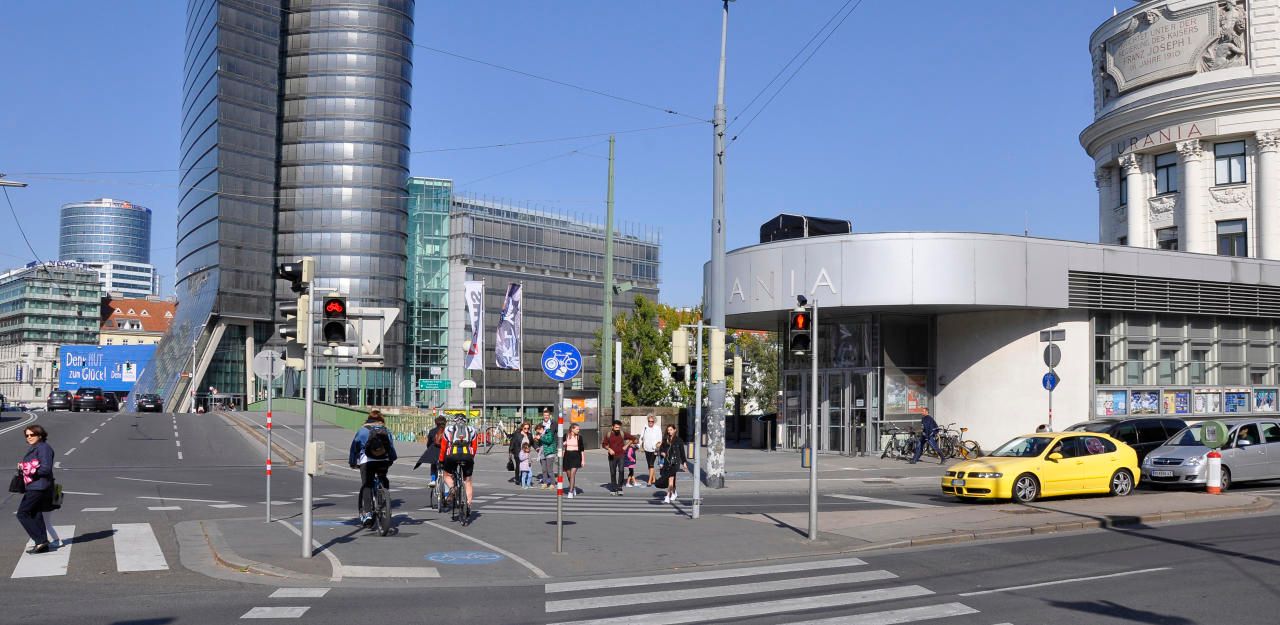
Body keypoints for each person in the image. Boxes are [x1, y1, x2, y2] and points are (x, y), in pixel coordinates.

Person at [349, 410, 397, 527]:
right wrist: (391, 459)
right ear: (381, 419)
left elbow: (354, 447)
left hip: (367, 461)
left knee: (367, 485)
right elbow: (390, 447)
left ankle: (368, 514)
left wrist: (353, 462)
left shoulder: (362, 430)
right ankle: (385, 500)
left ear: (368, 419)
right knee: (383, 478)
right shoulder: (385, 430)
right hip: (383, 460)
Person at [16, 424, 56, 553]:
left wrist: (27, 469)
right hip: (36, 486)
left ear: (40, 435)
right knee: (35, 513)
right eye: (27, 435)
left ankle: (40, 541)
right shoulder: (37, 447)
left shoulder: (43, 448)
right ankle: (43, 544)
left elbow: (45, 469)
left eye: (32, 434)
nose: (29, 437)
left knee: (22, 513)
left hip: (39, 486)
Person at [439, 415, 479, 515]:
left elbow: (443, 448)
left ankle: (453, 489)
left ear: (454, 421)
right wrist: (471, 458)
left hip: (452, 456)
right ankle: (468, 505)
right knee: (468, 481)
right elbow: (474, 447)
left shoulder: (448, 429)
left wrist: (441, 460)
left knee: (446, 475)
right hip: (467, 456)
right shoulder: (471, 430)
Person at [413, 416, 448, 487]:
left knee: (433, 464)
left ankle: (433, 480)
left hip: (434, 452)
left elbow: (428, 444)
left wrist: (429, 449)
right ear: (445, 423)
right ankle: (447, 489)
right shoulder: (448, 431)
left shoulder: (432, 431)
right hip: (445, 453)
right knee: (447, 468)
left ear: (436, 423)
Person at [658, 424, 685, 504]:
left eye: (671, 430)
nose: (669, 431)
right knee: (671, 479)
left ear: (675, 430)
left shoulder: (679, 440)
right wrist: (662, 453)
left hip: (675, 463)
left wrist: (684, 462)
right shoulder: (666, 439)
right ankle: (674, 492)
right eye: (668, 430)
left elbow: (682, 452)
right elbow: (661, 449)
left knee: (670, 479)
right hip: (667, 462)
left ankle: (668, 496)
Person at [602, 420, 627, 496]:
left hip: (621, 455)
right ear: (612, 427)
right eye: (616, 427)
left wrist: (627, 445)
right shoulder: (608, 434)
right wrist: (609, 449)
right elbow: (604, 444)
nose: (617, 429)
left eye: (619, 427)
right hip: (612, 456)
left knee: (621, 470)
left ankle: (619, 487)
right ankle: (613, 488)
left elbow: (634, 439)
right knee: (613, 472)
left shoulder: (622, 433)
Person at [639, 415, 662, 487]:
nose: (650, 422)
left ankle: (649, 481)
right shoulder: (645, 427)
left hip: (654, 449)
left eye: (652, 421)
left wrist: (658, 446)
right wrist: (640, 445)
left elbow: (660, 438)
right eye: (649, 421)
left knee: (651, 464)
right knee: (649, 464)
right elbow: (641, 437)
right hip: (647, 448)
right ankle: (654, 479)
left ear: (654, 421)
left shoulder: (657, 428)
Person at [562, 423, 584, 497]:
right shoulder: (566, 435)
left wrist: (583, 460)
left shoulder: (579, 437)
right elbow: (561, 445)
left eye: (578, 429)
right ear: (572, 429)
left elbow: (582, 449)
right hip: (567, 455)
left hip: (576, 456)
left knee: (572, 474)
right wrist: (564, 443)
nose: (578, 430)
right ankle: (573, 487)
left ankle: (570, 491)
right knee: (568, 475)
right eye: (577, 429)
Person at [538, 422, 557, 489]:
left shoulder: (549, 432)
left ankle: (552, 483)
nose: (538, 431)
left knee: (550, 470)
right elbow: (540, 444)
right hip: (543, 453)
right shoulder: (540, 435)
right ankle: (545, 483)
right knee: (544, 470)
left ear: (542, 428)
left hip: (549, 453)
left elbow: (549, 441)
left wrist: (541, 438)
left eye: (539, 430)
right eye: (537, 430)